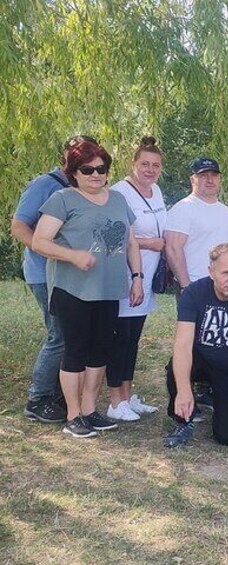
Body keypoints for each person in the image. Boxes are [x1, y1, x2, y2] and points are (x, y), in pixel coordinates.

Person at [32, 139, 144, 438]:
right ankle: (72, 416)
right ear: (74, 172)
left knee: (100, 351)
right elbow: (39, 241)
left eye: (102, 169)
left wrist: (137, 277)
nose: (96, 175)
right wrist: (72, 255)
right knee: (75, 351)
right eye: (88, 169)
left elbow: (131, 242)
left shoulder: (119, 200)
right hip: (73, 289)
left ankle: (89, 410)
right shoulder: (63, 199)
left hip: (109, 289)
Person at [12, 135, 95, 424]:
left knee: (73, 334)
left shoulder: (83, 186)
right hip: (43, 273)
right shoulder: (45, 185)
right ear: (66, 156)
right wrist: (43, 249)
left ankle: (63, 394)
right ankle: (39, 397)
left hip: (71, 275)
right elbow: (19, 225)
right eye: (78, 154)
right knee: (59, 335)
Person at [163, 244, 228, 448]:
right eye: (226, 272)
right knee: (176, 366)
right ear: (212, 272)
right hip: (199, 359)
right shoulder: (194, 293)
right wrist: (183, 390)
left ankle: (212, 397)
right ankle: (184, 419)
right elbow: (182, 344)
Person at [105, 136, 167, 421]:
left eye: (155, 165)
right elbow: (113, 237)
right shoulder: (119, 193)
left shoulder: (156, 192)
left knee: (133, 339)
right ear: (133, 164)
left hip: (148, 276)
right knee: (119, 338)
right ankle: (115, 401)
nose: (150, 169)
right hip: (127, 277)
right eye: (144, 164)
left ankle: (128, 396)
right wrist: (149, 243)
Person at [165, 157, 228, 291]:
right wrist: (185, 285)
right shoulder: (183, 208)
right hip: (194, 284)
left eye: (214, 175)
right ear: (193, 180)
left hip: (223, 286)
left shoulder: (227, 212)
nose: (210, 180)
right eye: (204, 176)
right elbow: (173, 249)